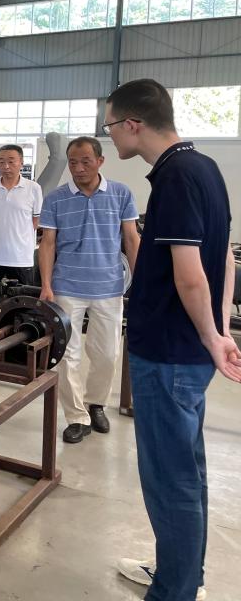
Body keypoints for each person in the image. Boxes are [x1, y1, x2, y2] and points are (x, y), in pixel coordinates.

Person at [104, 79, 238, 601]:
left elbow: (190, 275)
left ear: (133, 124)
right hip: (186, 352)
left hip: (167, 355)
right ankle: (180, 574)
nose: (111, 136)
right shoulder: (204, 168)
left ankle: (173, 591)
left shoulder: (176, 176)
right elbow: (223, 257)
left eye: (111, 126)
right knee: (188, 471)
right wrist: (219, 331)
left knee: (170, 479)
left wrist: (211, 336)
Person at [38, 136, 140, 445]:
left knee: (107, 353)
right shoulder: (55, 198)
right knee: (66, 355)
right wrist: (46, 285)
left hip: (109, 287)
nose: (79, 168)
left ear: (100, 161)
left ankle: (96, 403)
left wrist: (141, 282)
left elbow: (131, 239)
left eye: (85, 161)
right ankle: (76, 417)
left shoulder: (121, 193)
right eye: (73, 162)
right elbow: (48, 243)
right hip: (67, 286)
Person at [0, 144, 43, 284]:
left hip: (21, 258)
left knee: (22, 296)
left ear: (21, 162)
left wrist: (20, 234)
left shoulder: (34, 188)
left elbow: (35, 221)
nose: (6, 166)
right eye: (1, 162)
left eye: (11, 161)